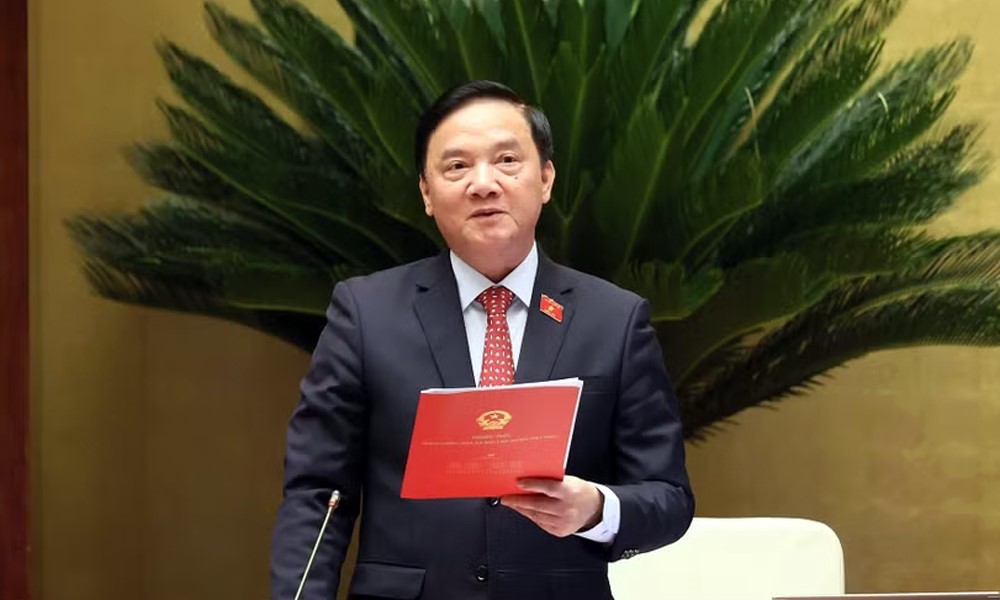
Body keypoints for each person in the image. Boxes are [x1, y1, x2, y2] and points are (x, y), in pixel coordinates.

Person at [270, 80, 694, 600]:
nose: (483, 184)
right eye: (456, 166)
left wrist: (596, 509)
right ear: (427, 193)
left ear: (546, 179)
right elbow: (319, 491)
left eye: (507, 160)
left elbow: (669, 497)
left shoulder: (615, 319)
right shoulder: (365, 313)